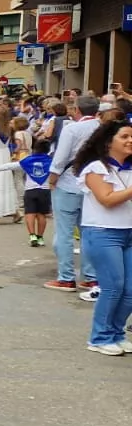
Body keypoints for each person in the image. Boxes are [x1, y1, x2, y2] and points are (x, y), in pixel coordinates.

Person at [70, 119, 132, 355]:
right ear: (108, 142)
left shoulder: (129, 167)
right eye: (124, 137)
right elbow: (106, 199)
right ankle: (100, 337)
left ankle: (117, 333)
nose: (130, 141)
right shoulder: (95, 168)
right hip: (103, 232)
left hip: (128, 231)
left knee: (130, 289)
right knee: (113, 287)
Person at [47, 94, 103, 293]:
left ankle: (66, 277)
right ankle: (91, 277)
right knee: (88, 232)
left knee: (64, 233)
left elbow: (60, 158)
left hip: (69, 183)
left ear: (77, 110)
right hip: (94, 185)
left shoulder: (72, 129)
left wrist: (52, 179)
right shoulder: (104, 128)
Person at [0, 138, 54, 246]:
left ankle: (32, 236)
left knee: (30, 214)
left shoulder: (28, 160)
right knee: (41, 215)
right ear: (48, 150)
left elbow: (10, 165)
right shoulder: (51, 162)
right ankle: (40, 237)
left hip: (30, 191)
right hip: (44, 191)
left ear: (35, 149)